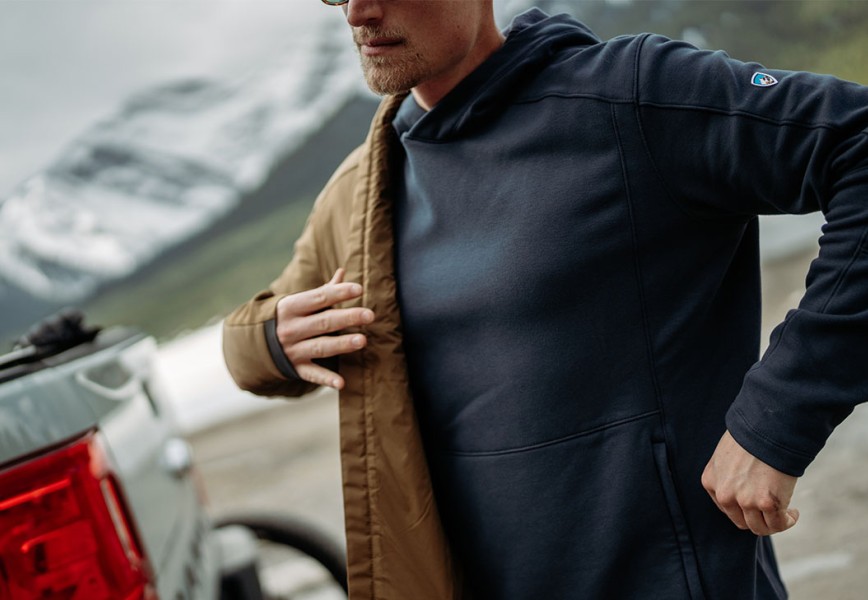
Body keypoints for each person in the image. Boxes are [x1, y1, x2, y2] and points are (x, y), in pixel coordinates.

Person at [222, 1, 868, 598]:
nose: (361, 11)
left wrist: (776, 419)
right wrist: (269, 339)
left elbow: (857, 145)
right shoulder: (365, 190)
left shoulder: (630, 97)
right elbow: (253, 339)